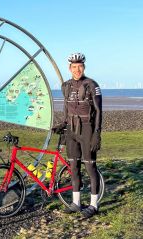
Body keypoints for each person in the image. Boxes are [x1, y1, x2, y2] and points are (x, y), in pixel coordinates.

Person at [53, 53, 102, 218]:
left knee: (90, 167)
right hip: (71, 132)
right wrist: (63, 124)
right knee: (74, 167)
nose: (77, 69)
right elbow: (66, 108)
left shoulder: (91, 85)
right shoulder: (65, 86)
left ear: (84, 67)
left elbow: (99, 111)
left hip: (87, 129)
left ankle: (94, 205)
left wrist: (97, 134)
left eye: (80, 66)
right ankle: (76, 203)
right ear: (69, 68)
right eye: (74, 67)